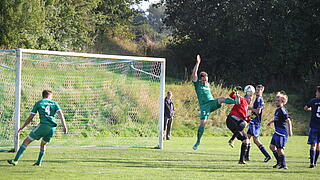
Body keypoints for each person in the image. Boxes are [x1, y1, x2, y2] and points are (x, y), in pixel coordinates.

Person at [7, 90, 68, 166]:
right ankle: (38, 162)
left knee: (26, 141)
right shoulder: (55, 103)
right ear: (49, 96)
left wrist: (22, 127)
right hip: (52, 128)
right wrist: (64, 126)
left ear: (43, 96)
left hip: (43, 126)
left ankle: (15, 160)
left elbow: (30, 118)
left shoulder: (39, 103)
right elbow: (61, 114)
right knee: (43, 144)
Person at [191, 55, 239, 150]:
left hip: (212, 103)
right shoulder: (197, 84)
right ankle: (198, 141)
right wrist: (197, 63)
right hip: (204, 106)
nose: (205, 82)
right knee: (203, 123)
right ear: (200, 80)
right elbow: (194, 74)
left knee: (221, 99)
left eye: (206, 80)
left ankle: (236, 101)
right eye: (203, 80)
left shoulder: (207, 84)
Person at [244, 85, 271, 162]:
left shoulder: (259, 99)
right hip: (253, 121)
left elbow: (258, 111)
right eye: (256, 90)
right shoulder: (257, 98)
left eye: (259, 90)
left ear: (262, 91)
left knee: (255, 140)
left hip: (255, 123)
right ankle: (246, 156)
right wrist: (248, 117)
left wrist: (248, 107)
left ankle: (267, 155)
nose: (256, 91)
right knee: (247, 138)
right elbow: (254, 113)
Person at [267, 91, 292, 169]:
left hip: (282, 132)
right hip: (277, 132)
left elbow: (288, 120)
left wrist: (290, 131)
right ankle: (279, 162)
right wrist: (271, 121)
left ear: (282, 101)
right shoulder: (278, 110)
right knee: (272, 147)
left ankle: (284, 165)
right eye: (276, 100)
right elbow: (278, 119)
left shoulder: (283, 110)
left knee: (280, 149)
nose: (276, 102)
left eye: (278, 100)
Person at [226, 90, 252, 164]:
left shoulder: (246, 107)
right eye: (249, 97)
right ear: (245, 97)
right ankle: (232, 139)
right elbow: (232, 95)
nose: (251, 99)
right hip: (231, 119)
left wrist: (252, 116)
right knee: (243, 123)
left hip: (237, 124)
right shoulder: (242, 100)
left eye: (251, 98)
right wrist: (234, 91)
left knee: (246, 140)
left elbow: (246, 120)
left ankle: (241, 160)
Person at [304, 86, 320, 168]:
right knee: (318, 145)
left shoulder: (314, 101)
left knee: (313, 145)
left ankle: (312, 162)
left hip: (314, 126)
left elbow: (306, 107)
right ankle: (316, 161)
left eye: (317, 92)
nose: (316, 93)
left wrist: (312, 109)